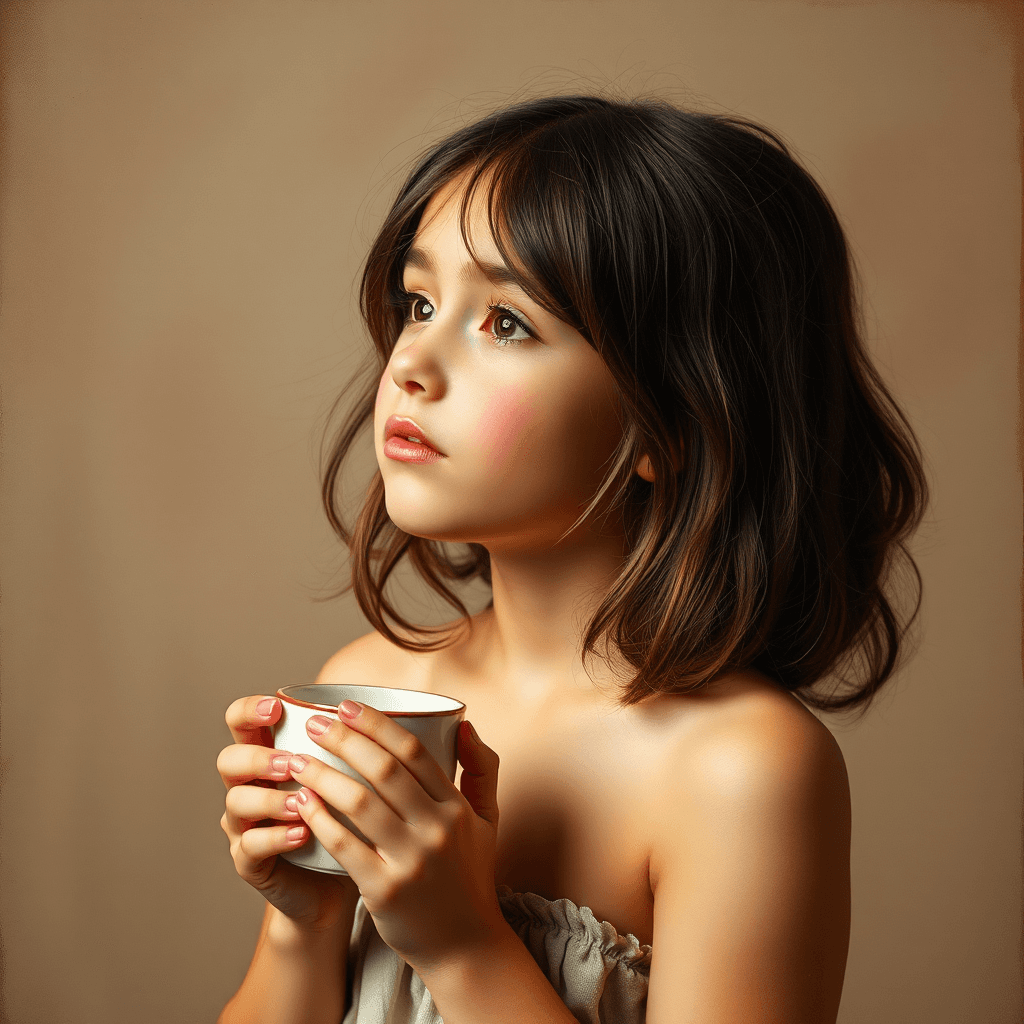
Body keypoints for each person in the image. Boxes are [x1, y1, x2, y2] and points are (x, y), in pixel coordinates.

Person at [216, 94, 927, 1024]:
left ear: (673, 421)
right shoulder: (367, 684)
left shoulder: (742, 771)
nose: (411, 362)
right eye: (420, 303)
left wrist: (463, 945)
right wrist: (302, 922)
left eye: (506, 324)